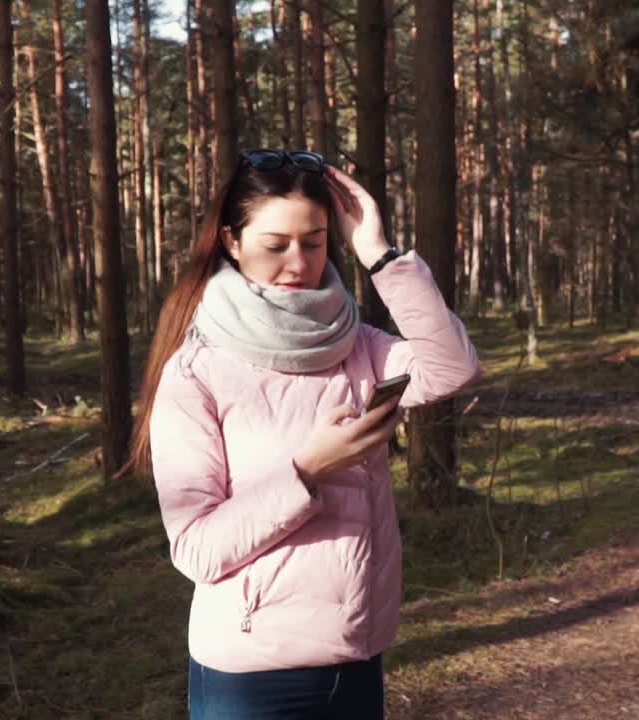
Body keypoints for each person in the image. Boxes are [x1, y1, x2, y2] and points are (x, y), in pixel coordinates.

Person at [125, 149, 481, 719]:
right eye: (275, 245)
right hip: (251, 678)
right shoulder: (197, 371)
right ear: (231, 241)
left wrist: (380, 254)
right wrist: (306, 470)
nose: (298, 263)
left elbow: (451, 368)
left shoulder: (357, 345)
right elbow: (194, 548)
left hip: (357, 657)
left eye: (313, 242)